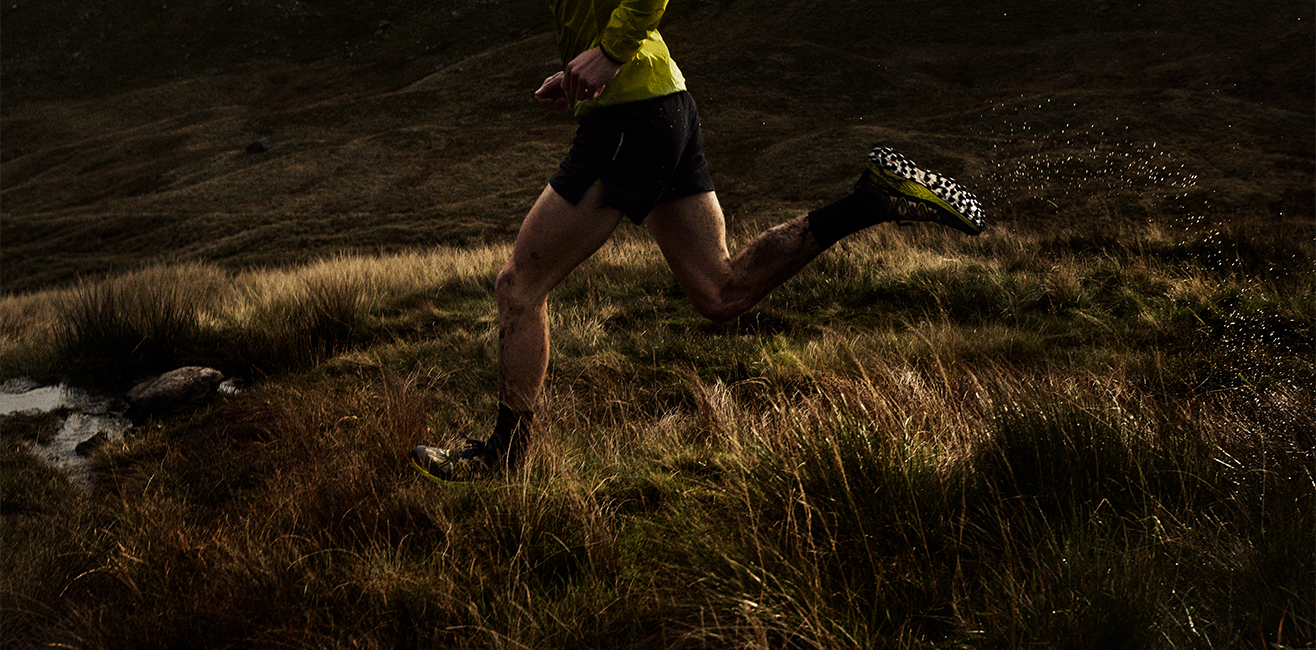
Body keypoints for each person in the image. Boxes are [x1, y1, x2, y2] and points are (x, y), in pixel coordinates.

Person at [411, 0, 985, 481]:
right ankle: (871, 201)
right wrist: (579, 74)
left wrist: (610, 55)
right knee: (721, 293)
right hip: (661, 107)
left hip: (630, 120)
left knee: (519, 286)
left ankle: (502, 459)